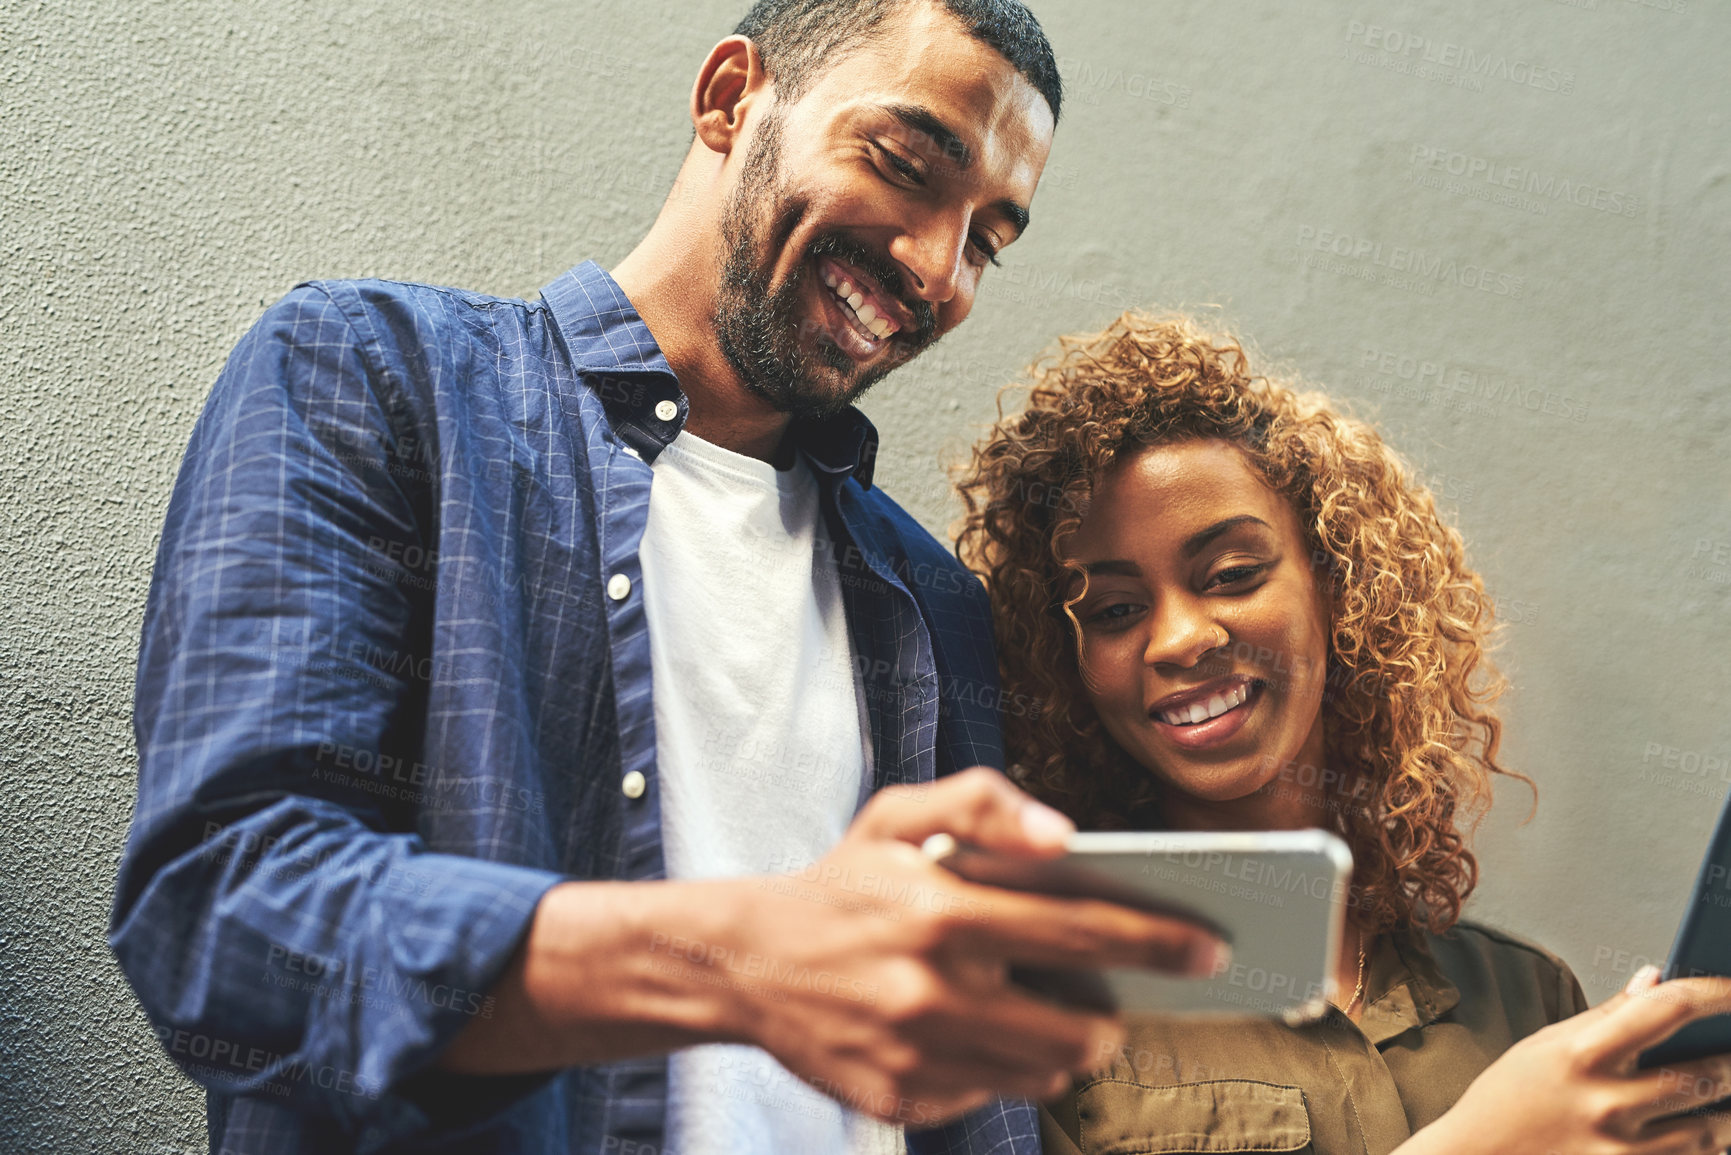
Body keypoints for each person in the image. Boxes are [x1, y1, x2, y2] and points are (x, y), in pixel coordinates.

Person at [107, 5, 1229, 1154]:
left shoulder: (933, 599)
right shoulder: (373, 378)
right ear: (732, 98)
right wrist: (739, 957)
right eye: (902, 164)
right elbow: (219, 916)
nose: (939, 270)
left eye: (988, 240)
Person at [954, 311, 1731, 1155]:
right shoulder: (1029, 1003)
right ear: (1068, 666)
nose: (1178, 638)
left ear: (1337, 586)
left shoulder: (1521, 996)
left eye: (1232, 574)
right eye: (1113, 610)